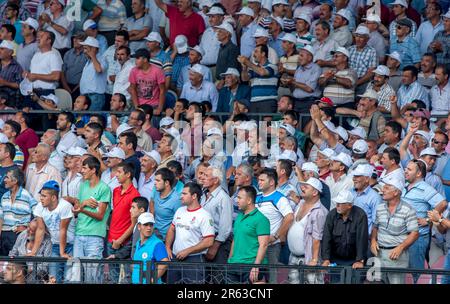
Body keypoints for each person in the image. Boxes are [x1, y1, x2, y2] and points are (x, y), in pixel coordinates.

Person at [402, 159, 447, 275]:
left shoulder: (425, 188)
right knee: (402, 272)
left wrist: (427, 220)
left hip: (418, 238)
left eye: (409, 169)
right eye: (406, 168)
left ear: (418, 173)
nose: (405, 171)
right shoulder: (405, 186)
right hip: (402, 236)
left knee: (416, 273)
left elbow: (443, 203)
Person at [71, 156, 112, 283]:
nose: (81, 170)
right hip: (79, 234)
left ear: (93, 170)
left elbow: (100, 215)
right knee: (76, 275)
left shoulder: (104, 188)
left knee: (92, 276)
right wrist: (83, 204)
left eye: (84, 168)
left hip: (95, 236)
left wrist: (82, 208)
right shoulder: (82, 186)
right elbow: (77, 208)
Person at [371, 176, 419, 284]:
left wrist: (400, 248)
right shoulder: (380, 207)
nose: (383, 190)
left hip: (396, 255)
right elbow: (375, 227)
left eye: (387, 188)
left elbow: (415, 233)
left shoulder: (408, 209)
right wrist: (373, 241)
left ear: (396, 192)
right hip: (379, 253)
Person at [165, 182, 215, 284]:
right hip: (175, 258)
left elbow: (209, 241)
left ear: (194, 196)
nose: (181, 196)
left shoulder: (204, 215)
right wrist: (167, 246)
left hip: (194, 260)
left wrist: (188, 251)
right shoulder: (179, 210)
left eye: (184, 194)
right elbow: (171, 229)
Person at [32, 180, 75, 283]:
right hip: (56, 244)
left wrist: (62, 252)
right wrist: (33, 252)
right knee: (53, 279)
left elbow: (63, 229)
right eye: (41, 195)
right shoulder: (39, 207)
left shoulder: (65, 206)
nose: (41, 198)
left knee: (69, 278)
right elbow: (40, 229)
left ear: (54, 198)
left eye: (44, 196)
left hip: (72, 244)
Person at [255, 168, 294, 283]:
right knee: (256, 277)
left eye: (262, 180)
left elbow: (289, 217)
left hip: (271, 246)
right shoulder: (256, 196)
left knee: (272, 279)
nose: (259, 182)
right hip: (255, 245)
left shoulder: (280, 198)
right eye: (258, 180)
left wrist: (276, 236)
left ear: (272, 182)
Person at [287, 177, 328, 284]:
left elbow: (317, 238)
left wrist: (314, 260)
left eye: (306, 186)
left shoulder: (320, 211)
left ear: (315, 192)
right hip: (294, 256)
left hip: (309, 259)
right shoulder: (300, 204)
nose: (302, 187)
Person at [227, 185, 270, 284]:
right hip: (234, 264)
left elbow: (263, 245)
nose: (236, 200)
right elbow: (235, 239)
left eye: (239, 198)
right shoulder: (239, 216)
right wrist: (230, 259)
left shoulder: (261, 219)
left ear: (249, 200)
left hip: (251, 265)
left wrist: (256, 266)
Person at [107, 162, 140, 283]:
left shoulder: (135, 195)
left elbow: (134, 223)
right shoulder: (115, 190)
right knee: (112, 277)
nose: (116, 174)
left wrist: (120, 240)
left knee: (127, 277)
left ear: (128, 174)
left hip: (125, 241)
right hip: (111, 238)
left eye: (119, 172)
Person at [321, 190, 368, 271]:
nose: (337, 206)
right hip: (335, 259)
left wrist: (360, 260)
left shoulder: (360, 215)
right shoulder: (332, 214)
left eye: (340, 203)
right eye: (337, 203)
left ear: (349, 205)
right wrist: (326, 259)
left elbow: (362, 239)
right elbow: (326, 237)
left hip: (354, 260)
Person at [200, 166, 233, 283]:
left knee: (217, 277)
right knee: (206, 276)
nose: (202, 178)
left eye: (206, 176)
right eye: (203, 175)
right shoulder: (203, 195)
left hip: (219, 243)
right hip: (205, 240)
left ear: (216, 180)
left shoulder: (223, 198)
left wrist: (215, 245)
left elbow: (226, 226)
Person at [0, 167, 37, 256]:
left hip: (18, 235)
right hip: (4, 235)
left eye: (7, 177)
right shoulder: (4, 196)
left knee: (16, 265)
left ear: (15, 181)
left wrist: (27, 227)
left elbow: (38, 214)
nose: (4, 180)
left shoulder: (26, 195)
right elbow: (0, 217)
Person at [239, 44, 279, 113]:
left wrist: (247, 62)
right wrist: (244, 68)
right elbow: (244, 79)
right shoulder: (253, 69)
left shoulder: (272, 67)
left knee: (265, 124)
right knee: (254, 124)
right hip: (254, 101)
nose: (254, 54)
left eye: (256, 51)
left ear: (263, 54)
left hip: (267, 101)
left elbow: (262, 72)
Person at [132, 212, 169, 284]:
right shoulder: (138, 243)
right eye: (145, 225)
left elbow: (164, 263)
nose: (149, 228)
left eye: (151, 225)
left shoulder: (157, 243)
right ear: (139, 226)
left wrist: (152, 280)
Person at [284, 45, 321, 112]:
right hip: (296, 102)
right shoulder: (299, 69)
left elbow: (310, 88)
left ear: (309, 58)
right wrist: (288, 83)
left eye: (301, 55)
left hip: (309, 102)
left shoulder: (316, 68)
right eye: (299, 55)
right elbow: (293, 90)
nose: (299, 58)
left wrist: (292, 82)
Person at [128, 48, 165, 114]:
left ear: (145, 59)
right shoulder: (134, 71)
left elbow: (162, 90)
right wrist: (137, 107)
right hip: (138, 104)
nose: (135, 61)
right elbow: (132, 89)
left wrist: (160, 108)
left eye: (138, 58)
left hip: (153, 106)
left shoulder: (157, 71)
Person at [149, 168, 181, 240]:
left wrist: (168, 244)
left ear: (166, 183)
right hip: (153, 234)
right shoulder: (156, 192)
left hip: (166, 239)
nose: (154, 183)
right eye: (155, 180)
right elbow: (152, 203)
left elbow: (178, 223)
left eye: (158, 180)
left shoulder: (176, 200)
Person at [351, 164, 382, 234]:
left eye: (357, 176)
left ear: (367, 179)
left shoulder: (375, 197)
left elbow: (376, 222)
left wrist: (373, 240)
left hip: (364, 239)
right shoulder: (349, 192)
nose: (354, 179)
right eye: (354, 176)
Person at [79, 36, 108, 111]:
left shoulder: (102, 59)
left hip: (95, 96)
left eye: (86, 49)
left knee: (93, 119)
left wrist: (93, 55)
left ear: (94, 49)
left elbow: (99, 70)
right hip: (86, 96)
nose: (84, 51)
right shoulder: (88, 61)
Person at [348, 25, 378, 94]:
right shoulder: (350, 49)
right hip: (348, 81)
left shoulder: (372, 51)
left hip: (363, 83)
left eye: (361, 37)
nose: (358, 39)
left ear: (367, 39)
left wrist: (357, 83)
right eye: (357, 36)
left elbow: (371, 72)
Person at [60, 31, 88, 101]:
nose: (75, 40)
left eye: (78, 38)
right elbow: (62, 72)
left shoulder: (87, 55)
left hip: (80, 88)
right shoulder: (68, 53)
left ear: (84, 41)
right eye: (74, 38)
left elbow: (87, 74)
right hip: (66, 86)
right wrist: (65, 86)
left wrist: (77, 87)